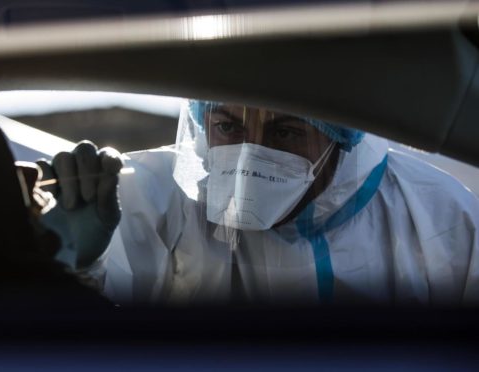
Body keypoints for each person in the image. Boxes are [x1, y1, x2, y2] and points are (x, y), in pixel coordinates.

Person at [32, 100, 479, 306]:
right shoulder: (145, 196)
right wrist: (79, 268)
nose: (250, 154)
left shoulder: (440, 215)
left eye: (285, 132)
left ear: (342, 135)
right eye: (227, 127)